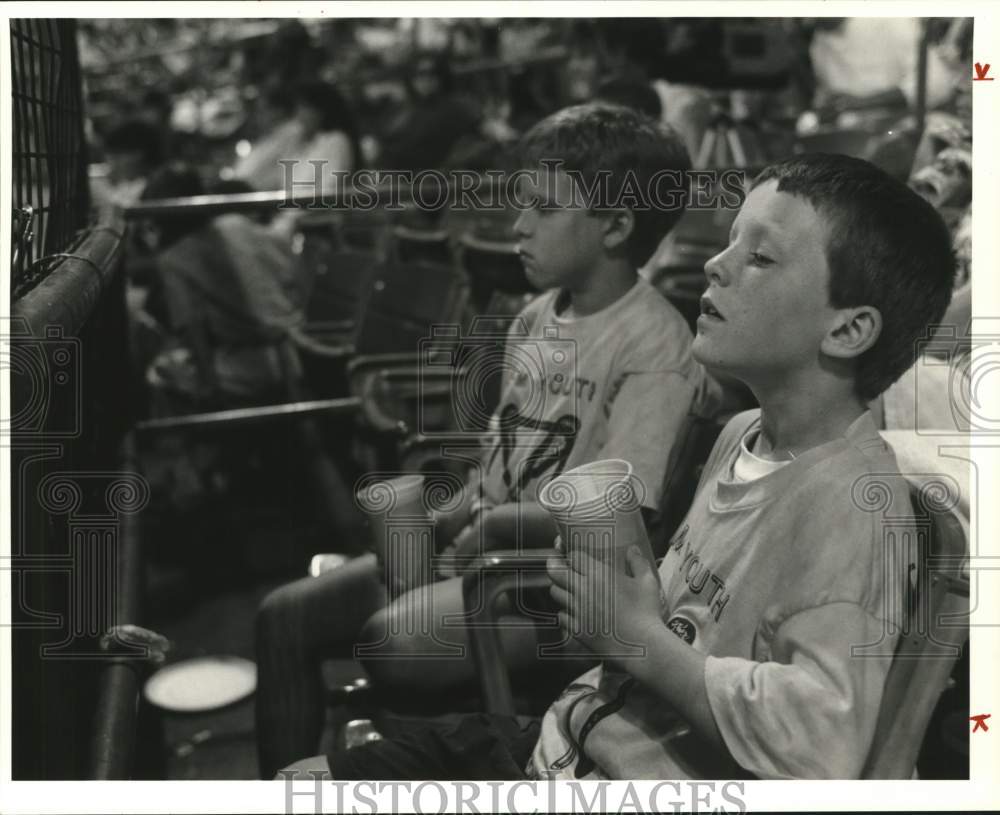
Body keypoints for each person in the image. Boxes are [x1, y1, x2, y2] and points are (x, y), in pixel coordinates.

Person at [281, 152, 956, 780]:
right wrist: (613, 603)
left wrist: (637, 640)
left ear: (847, 329)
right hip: (565, 738)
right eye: (728, 241)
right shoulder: (742, 435)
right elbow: (686, 621)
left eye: (759, 257)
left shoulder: (851, 505)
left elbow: (822, 746)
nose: (715, 265)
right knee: (304, 778)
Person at [256, 102, 703, 778]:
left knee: (387, 641)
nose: (518, 225)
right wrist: (454, 511)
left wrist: (493, 527)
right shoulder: (534, 316)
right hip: (485, 556)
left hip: (555, 591)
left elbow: (622, 513)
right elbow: (504, 459)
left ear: (615, 226)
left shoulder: (655, 345)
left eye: (544, 209)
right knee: (283, 616)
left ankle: (406, 752)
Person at [136, 167, 303, 410]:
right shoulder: (234, 223)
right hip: (292, 353)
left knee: (158, 374)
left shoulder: (175, 258)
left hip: (246, 368)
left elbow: (193, 328)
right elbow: (288, 272)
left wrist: (208, 388)